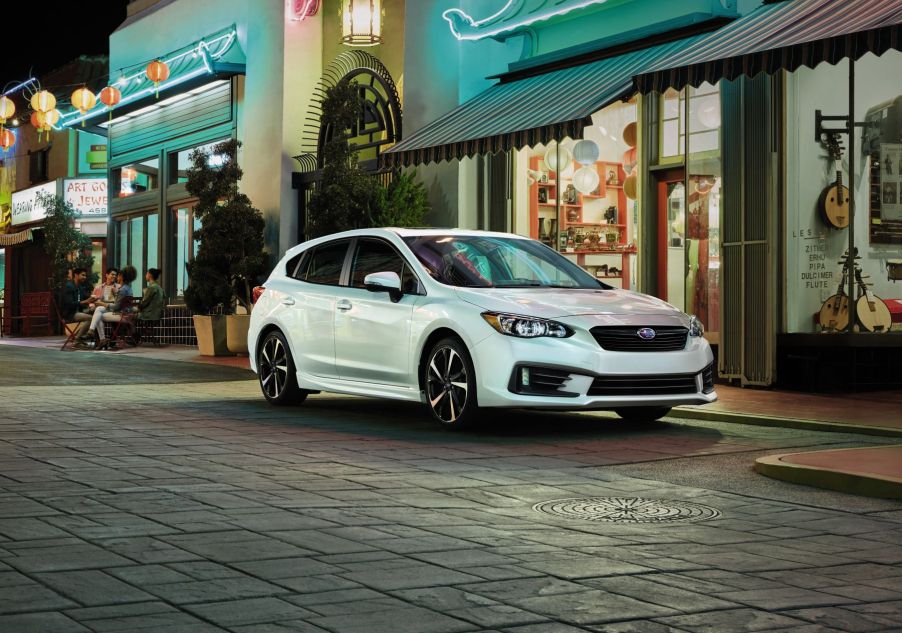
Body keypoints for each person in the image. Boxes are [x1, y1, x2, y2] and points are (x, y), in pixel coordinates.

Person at [77, 266, 137, 349]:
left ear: (122, 277)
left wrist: (102, 303)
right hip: (124, 313)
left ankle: (100, 338)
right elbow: (119, 303)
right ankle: (94, 334)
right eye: (113, 275)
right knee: (98, 310)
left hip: (121, 315)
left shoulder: (121, 289)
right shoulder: (127, 288)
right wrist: (102, 303)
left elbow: (116, 306)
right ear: (106, 275)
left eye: (117, 275)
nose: (116, 277)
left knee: (98, 316)